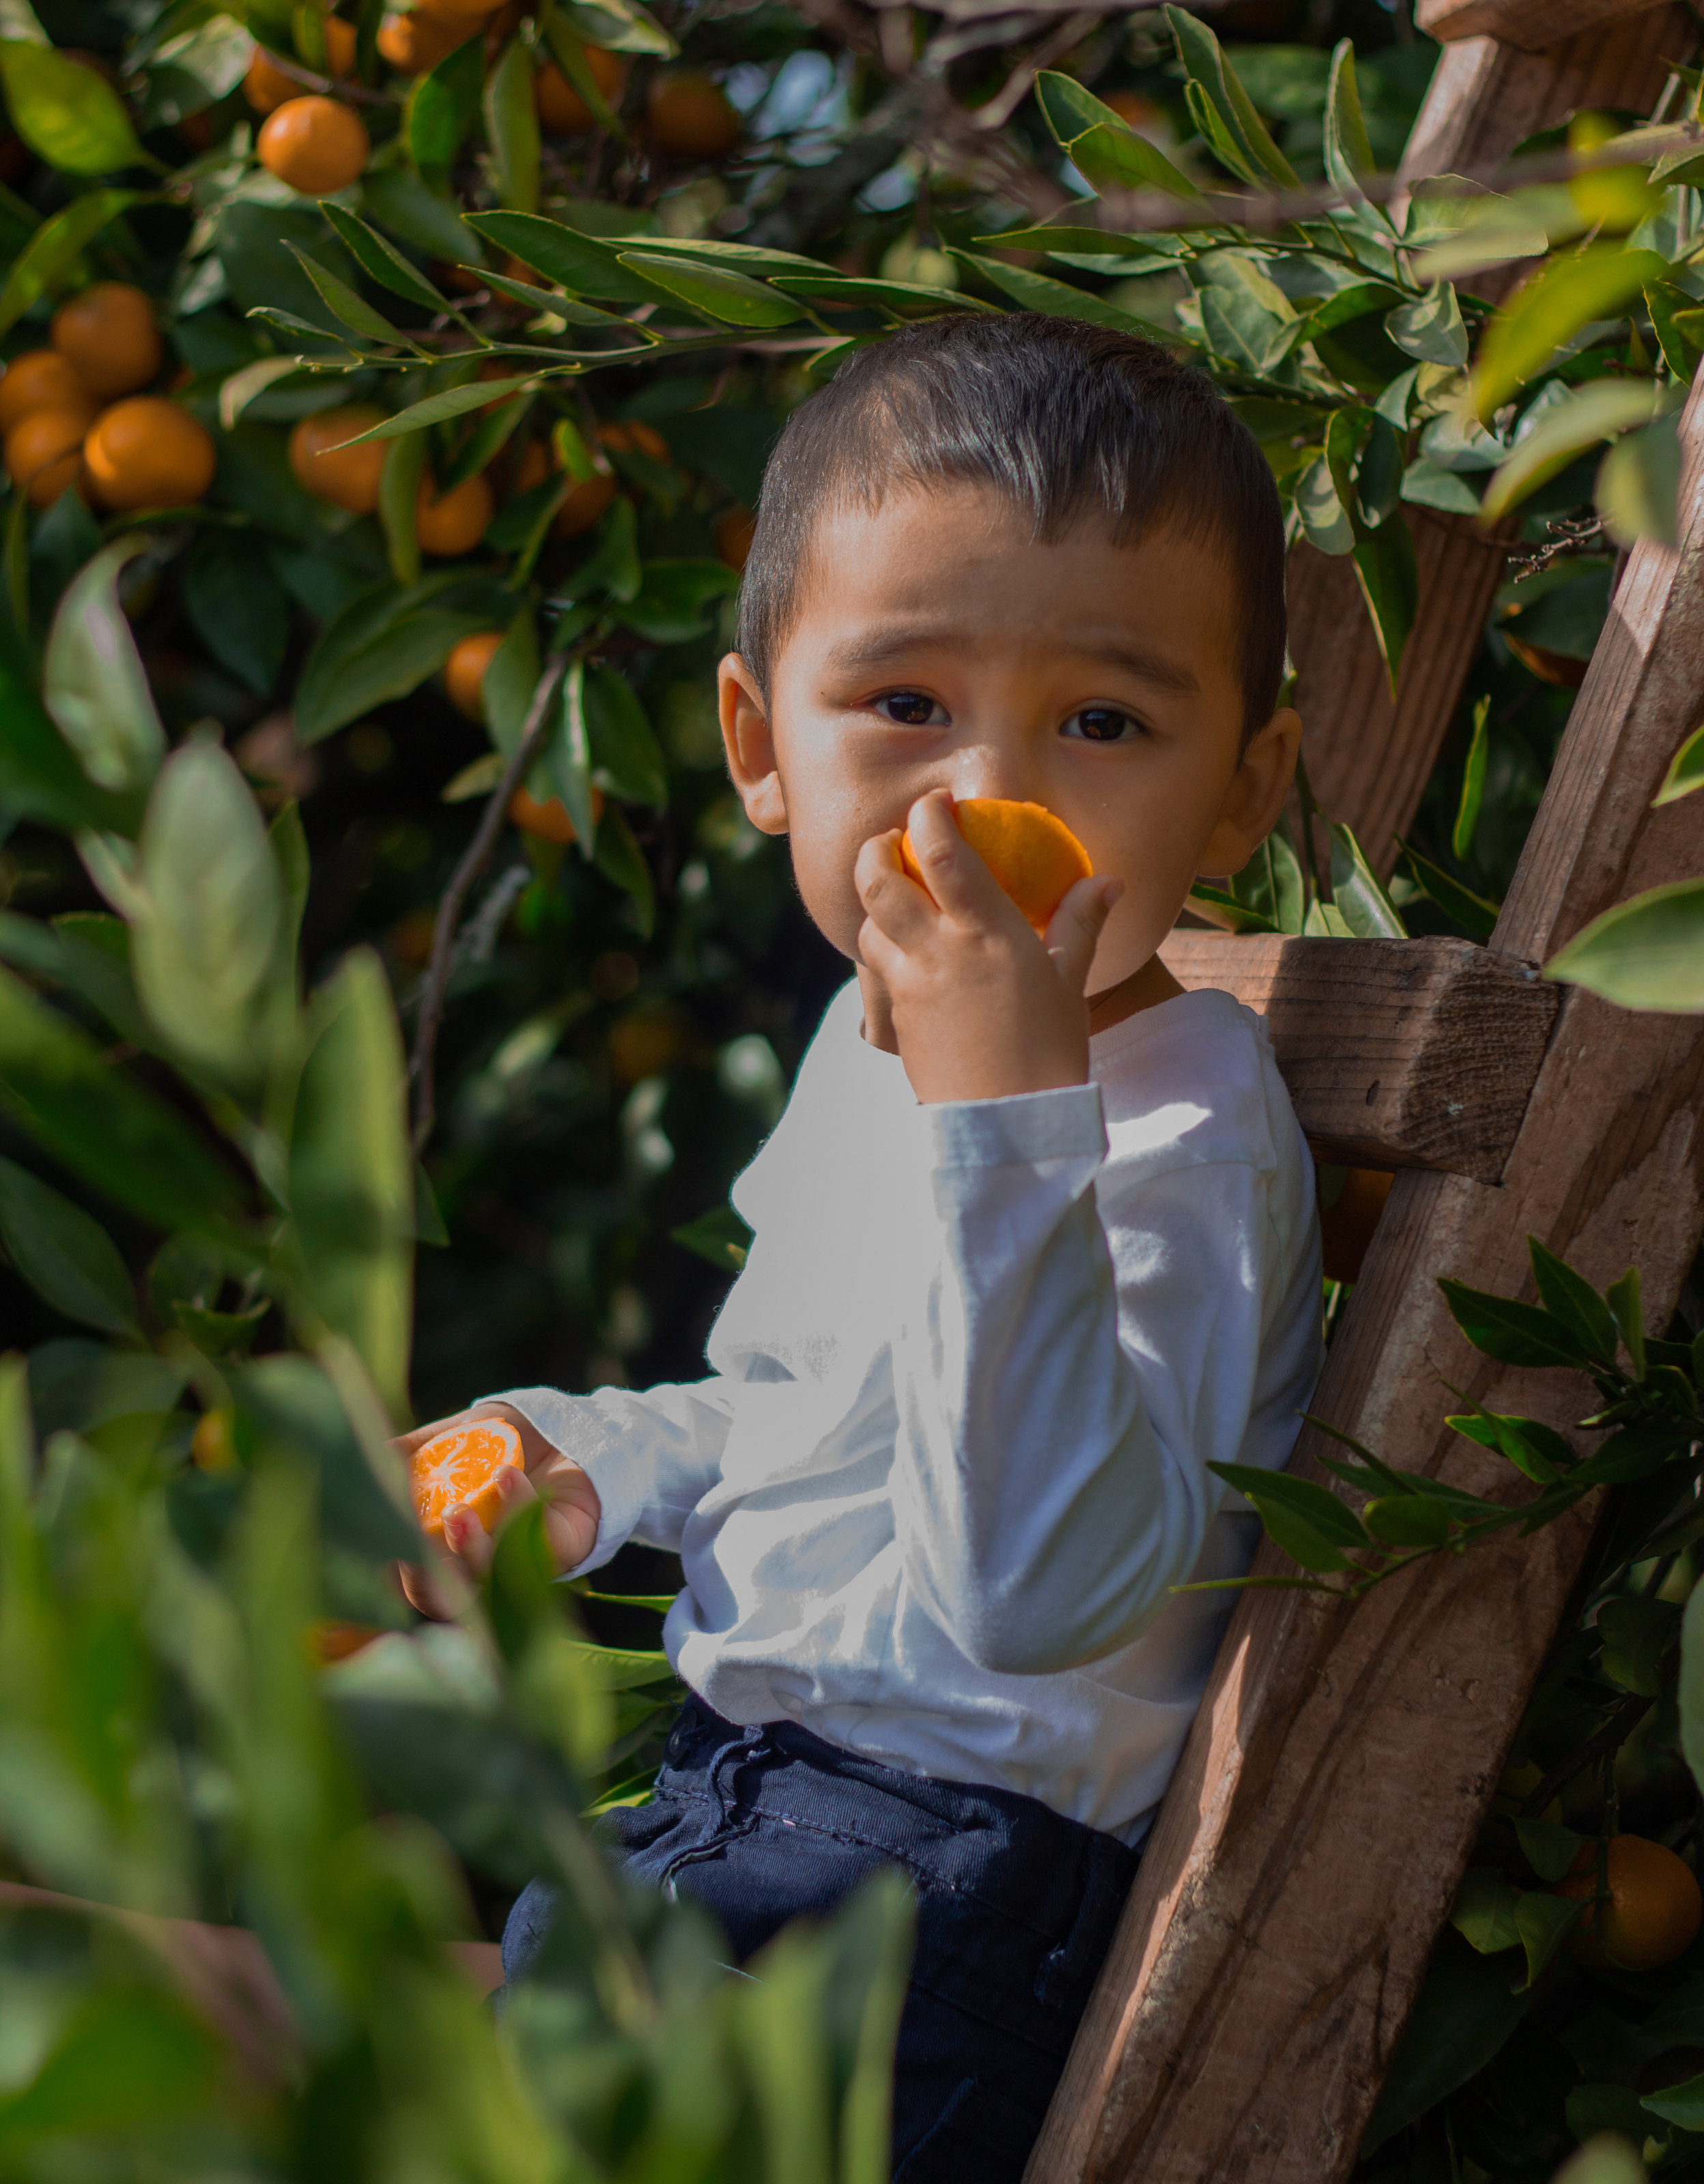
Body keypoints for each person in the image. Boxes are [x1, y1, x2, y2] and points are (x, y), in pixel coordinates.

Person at [397, 311, 1324, 2183]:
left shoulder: (1190, 1132)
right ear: (760, 745)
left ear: (1239, 788)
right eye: (905, 704)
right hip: (727, 1813)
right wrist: (589, 1454)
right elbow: (790, 1406)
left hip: (935, 1897)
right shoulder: (855, 1044)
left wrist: (1004, 1120)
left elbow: (1041, 1595)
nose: (987, 797)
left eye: (1104, 721)